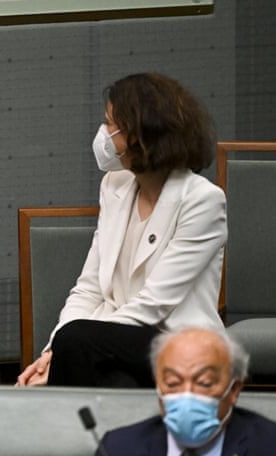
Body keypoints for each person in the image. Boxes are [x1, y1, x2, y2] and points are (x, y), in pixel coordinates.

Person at [17, 72, 226, 388]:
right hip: (116, 343)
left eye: (109, 125)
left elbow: (153, 303)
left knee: (76, 342)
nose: (103, 135)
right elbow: (88, 287)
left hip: (177, 343)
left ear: (141, 136)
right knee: (113, 381)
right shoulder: (114, 186)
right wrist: (52, 348)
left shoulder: (202, 201)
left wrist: (68, 347)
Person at [91, 326, 276, 456]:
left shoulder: (269, 448)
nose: (187, 395)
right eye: (172, 383)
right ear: (158, 387)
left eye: (204, 383)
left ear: (234, 389)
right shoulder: (117, 451)